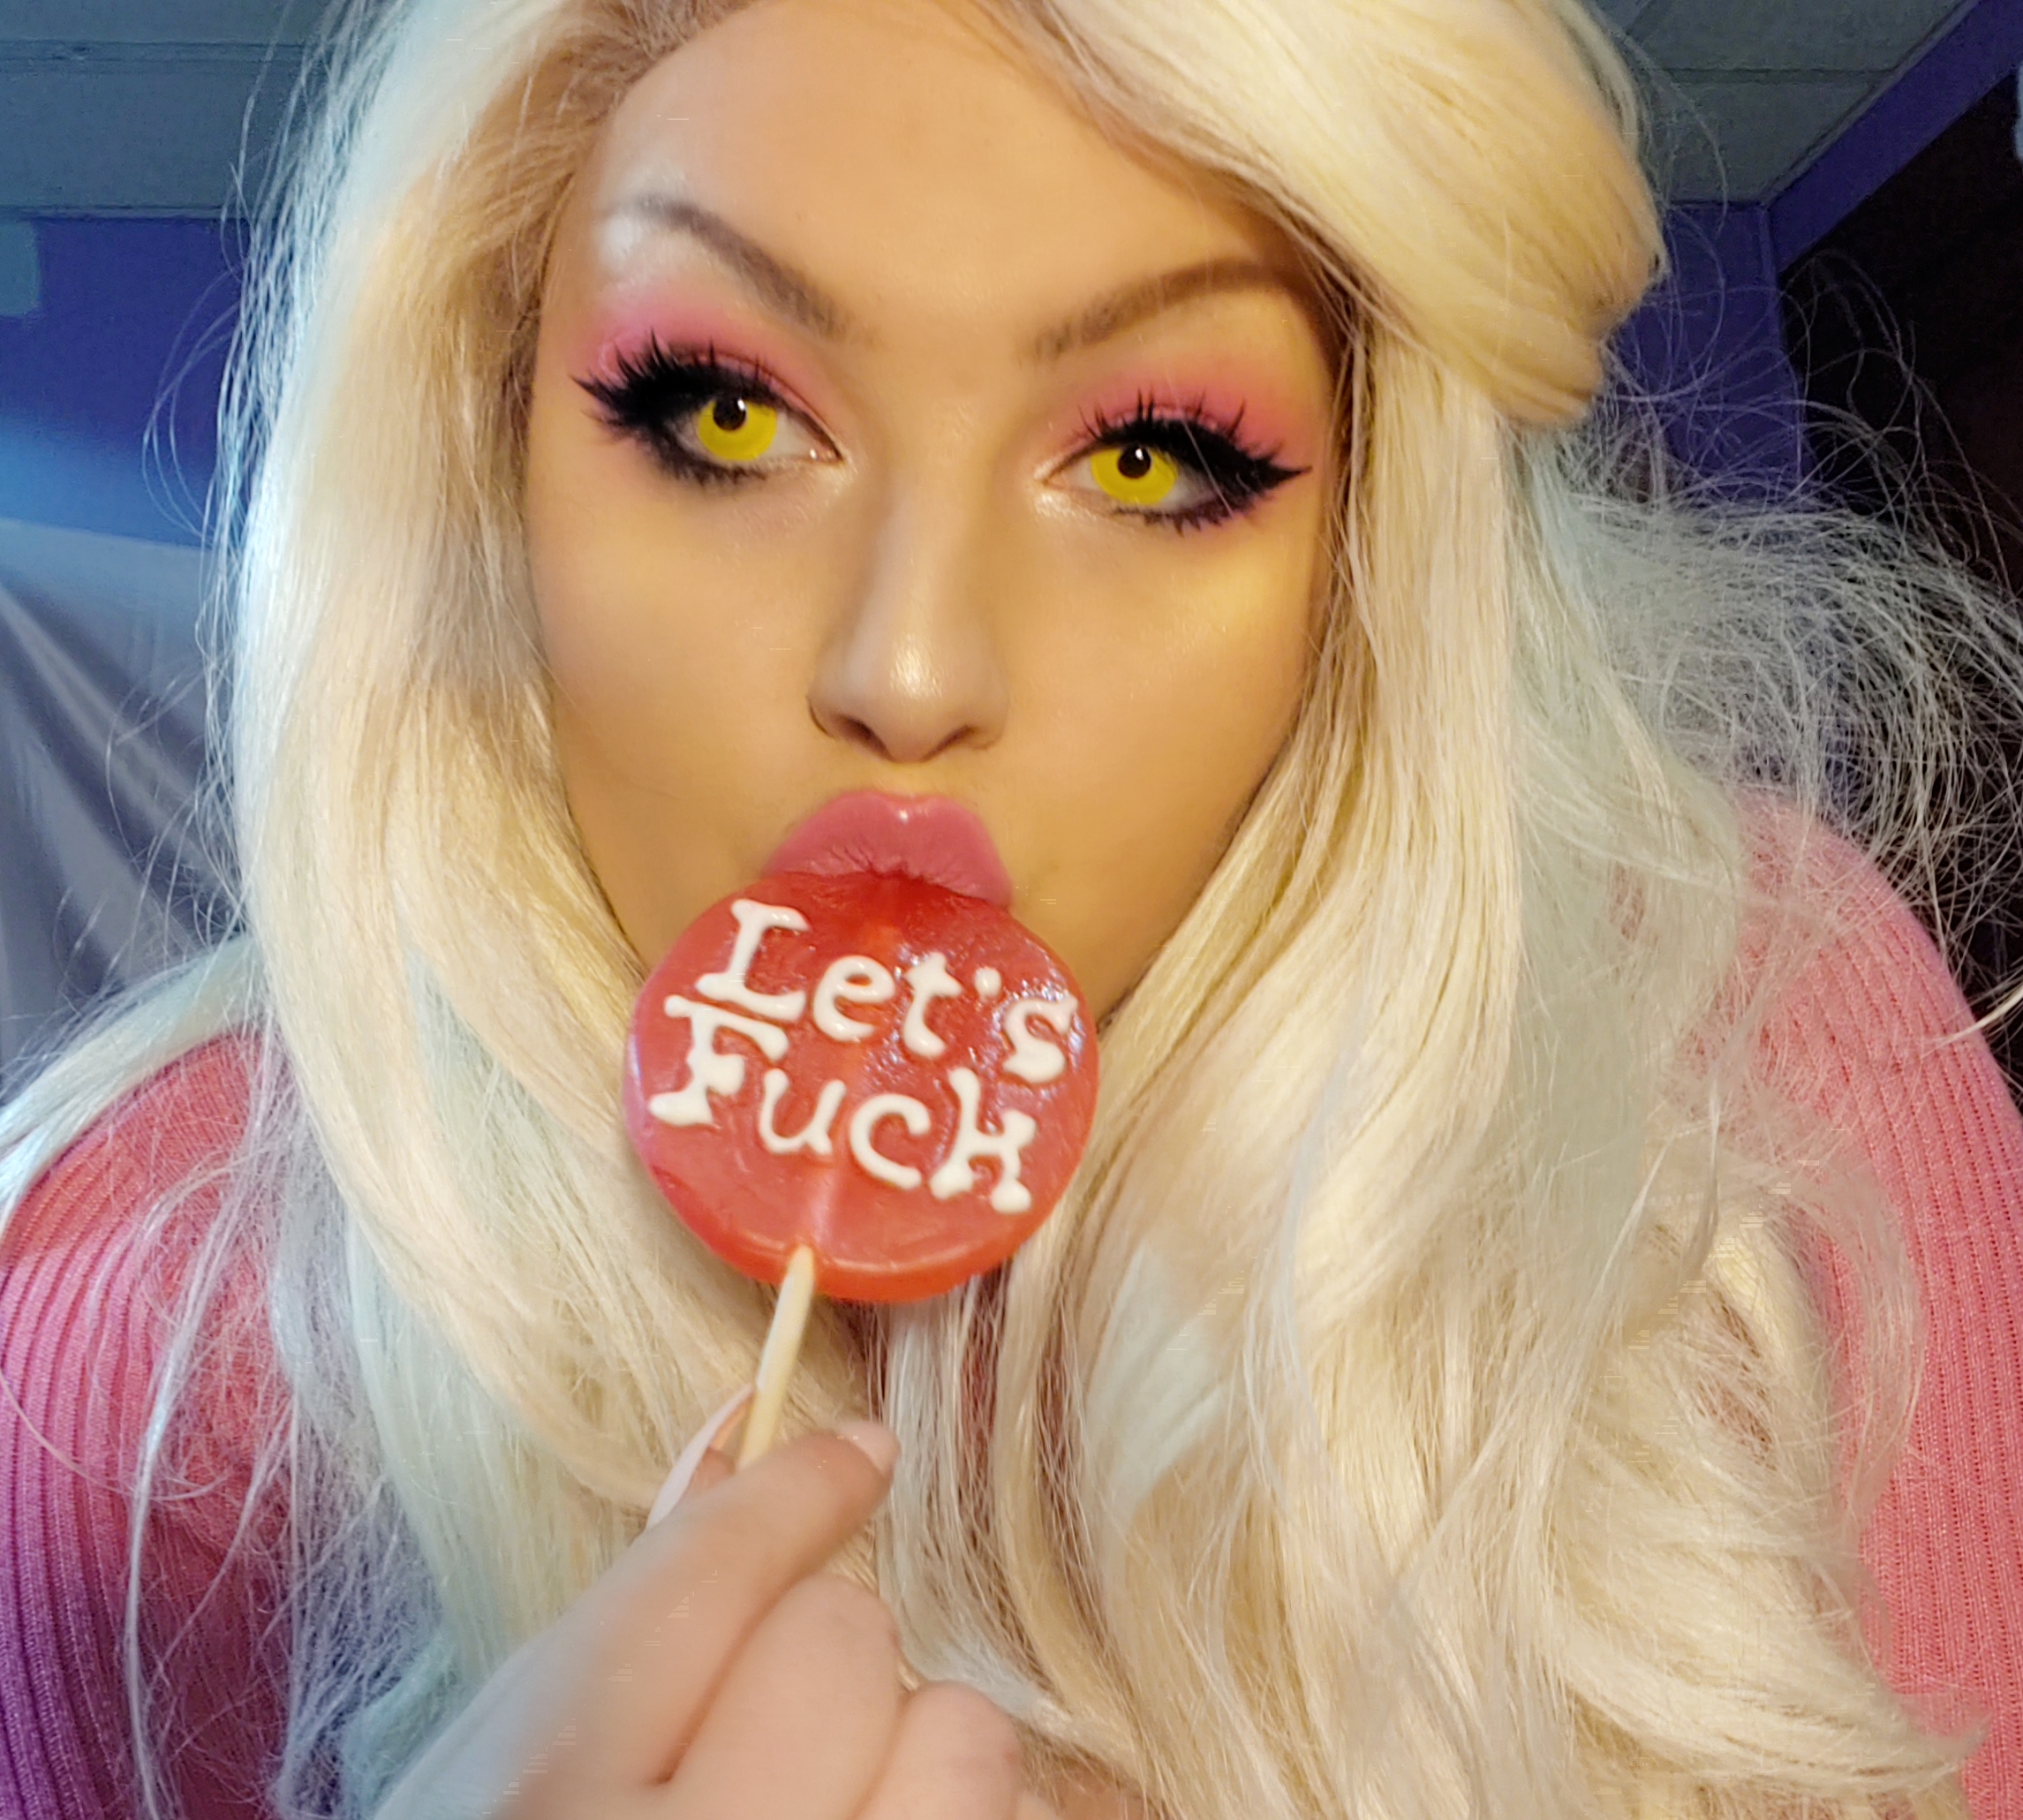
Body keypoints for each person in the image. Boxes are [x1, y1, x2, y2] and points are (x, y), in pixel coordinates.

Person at [3, 0, 2020, 1815]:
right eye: (724, 412)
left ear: (1363, 555)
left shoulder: (1750, 1045)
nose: (909, 663)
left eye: (1150, 456)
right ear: (487, 459)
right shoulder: (132, 1336)